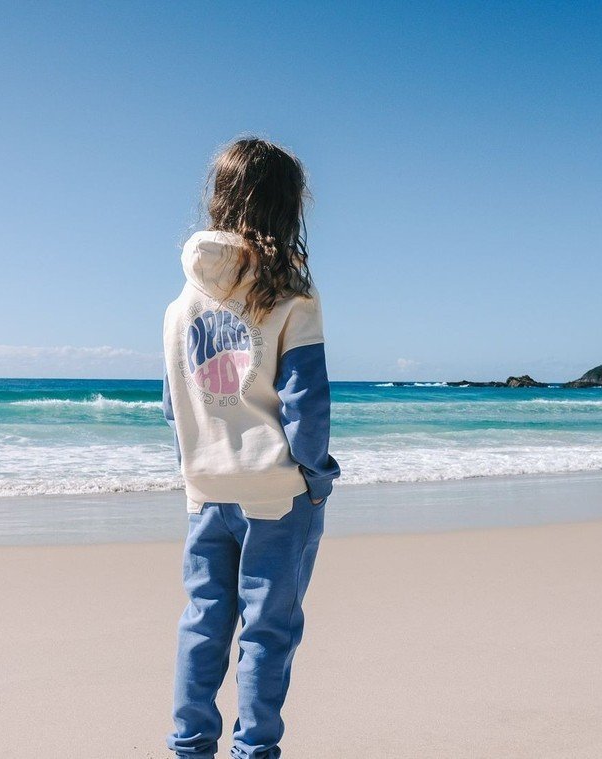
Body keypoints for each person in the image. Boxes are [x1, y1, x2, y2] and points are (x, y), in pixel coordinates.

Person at [162, 137, 340, 759]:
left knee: (203, 622)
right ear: (287, 209)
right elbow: (305, 407)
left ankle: (189, 748)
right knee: (268, 632)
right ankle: (255, 752)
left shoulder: (180, 307)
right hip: (276, 495)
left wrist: (198, 466)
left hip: (206, 489)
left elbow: (171, 407)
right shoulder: (293, 297)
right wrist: (316, 478)